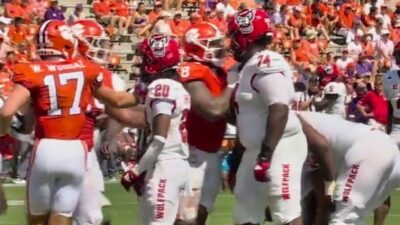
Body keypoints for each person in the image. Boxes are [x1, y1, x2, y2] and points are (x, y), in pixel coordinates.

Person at [0, 20, 138, 225]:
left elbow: (7, 112)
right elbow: (117, 100)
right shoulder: (86, 68)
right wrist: (145, 95)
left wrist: (3, 135)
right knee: (63, 217)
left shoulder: (32, 70)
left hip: (46, 147)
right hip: (77, 151)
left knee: (37, 219)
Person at [228, 8, 308, 225]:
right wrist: (237, 161)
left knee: (284, 208)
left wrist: (265, 156)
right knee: (244, 209)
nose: (232, 41)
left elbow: (279, 108)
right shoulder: (244, 68)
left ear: (247, 35)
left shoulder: (267, 61)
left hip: (279, 145)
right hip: (255, 149)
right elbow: (246, 121)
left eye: (235, 36)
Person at [120, 33, 191, 225]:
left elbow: (160, 139)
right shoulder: (177, 87)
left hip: (164, 165)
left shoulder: (162, 87)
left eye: (146, 58)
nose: (143, 63)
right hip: (175, 164)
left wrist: (135, 171)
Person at [297, 111, 400, 225]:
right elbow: (316, 176)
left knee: (343, 221)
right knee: (345, 218)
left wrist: (330, 187)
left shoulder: (288, 117)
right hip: (384, 150)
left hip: (369, 150)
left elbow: (320, 145)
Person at [70, 19, 126, 225]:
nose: (101, 48)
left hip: (78, 150)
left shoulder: (110, 78)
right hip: (75, 148)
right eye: (94, 42)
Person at [177, 22, 233, 225]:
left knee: (201, 215)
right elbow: (213, 111)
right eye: (213, 43)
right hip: (192, 152)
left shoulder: (219, 73)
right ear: (195, 47)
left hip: (213, 152)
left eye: (220, 42)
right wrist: (233, 84)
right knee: (186, 218)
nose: (220, 47)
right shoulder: (192, 71)